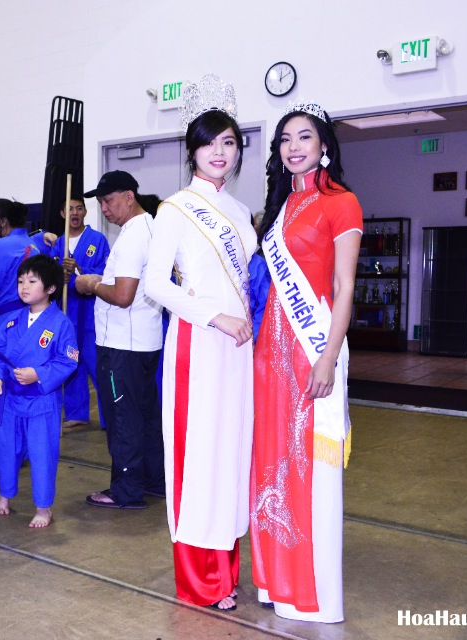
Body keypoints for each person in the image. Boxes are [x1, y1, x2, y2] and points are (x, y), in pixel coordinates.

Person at [145, 78, 255, 611]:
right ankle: (199, 579)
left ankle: (226, 572)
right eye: (210, 142)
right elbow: (155, 285)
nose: (220, 152)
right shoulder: (176, 209)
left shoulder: (240, 211)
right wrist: (216, 317)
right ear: (192, 150)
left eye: (230, 142)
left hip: (241, 352)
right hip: (199, 344)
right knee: (199, 457)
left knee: (233, 454)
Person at [251, 101, 362, 623]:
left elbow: (343, 288)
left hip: (309, 345)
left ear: (324, 146)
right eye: (285, 139)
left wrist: (328, 357)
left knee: (308, 466)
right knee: (274, 460)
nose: (294, 147)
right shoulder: (280, 205)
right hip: (270, 353)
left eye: (305, 137)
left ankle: (315, 592)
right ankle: (278, 580)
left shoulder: (341, 203)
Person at [74, 170, 165, 510]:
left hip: (122, 346)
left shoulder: (131, 237)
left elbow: (124, 295)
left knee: (123, 417)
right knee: (145, 415)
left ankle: (126, 489)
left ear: (130, 196)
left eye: (109, 201)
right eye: (101, 203)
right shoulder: (152, 227)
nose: (105, 209)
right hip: (144, 339)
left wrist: (92, 284)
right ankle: (154, 480)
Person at [0, 255, 78, 528]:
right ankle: (5, 496)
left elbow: (69, 360)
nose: (24, 287)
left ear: (51, 288)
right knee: (6, 450)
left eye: (31, 281)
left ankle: (43, 507)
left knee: (42, 453)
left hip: (42, 400)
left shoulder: (61, 323)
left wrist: (38, 374)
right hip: (10, 400)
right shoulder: (9, 321)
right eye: (20, 281)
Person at [49, 195, 110, 429]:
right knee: (71, 361)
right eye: (70, 209)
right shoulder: (59, 243)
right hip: (67, 311)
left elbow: (107, 271)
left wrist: (79, 269)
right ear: (63, 214)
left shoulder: (97, 240)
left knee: (97, 363)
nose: (75, 213)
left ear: (85, 212)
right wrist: (60, 276)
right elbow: (48, 272)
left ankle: (108, 417)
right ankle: (76, 413)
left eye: (79, 208)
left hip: (92, 310)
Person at [0, 198, 40, 335]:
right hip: (30, 318)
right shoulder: (32, 244)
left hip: (5, 321)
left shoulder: (2, 246)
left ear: (3, 221)